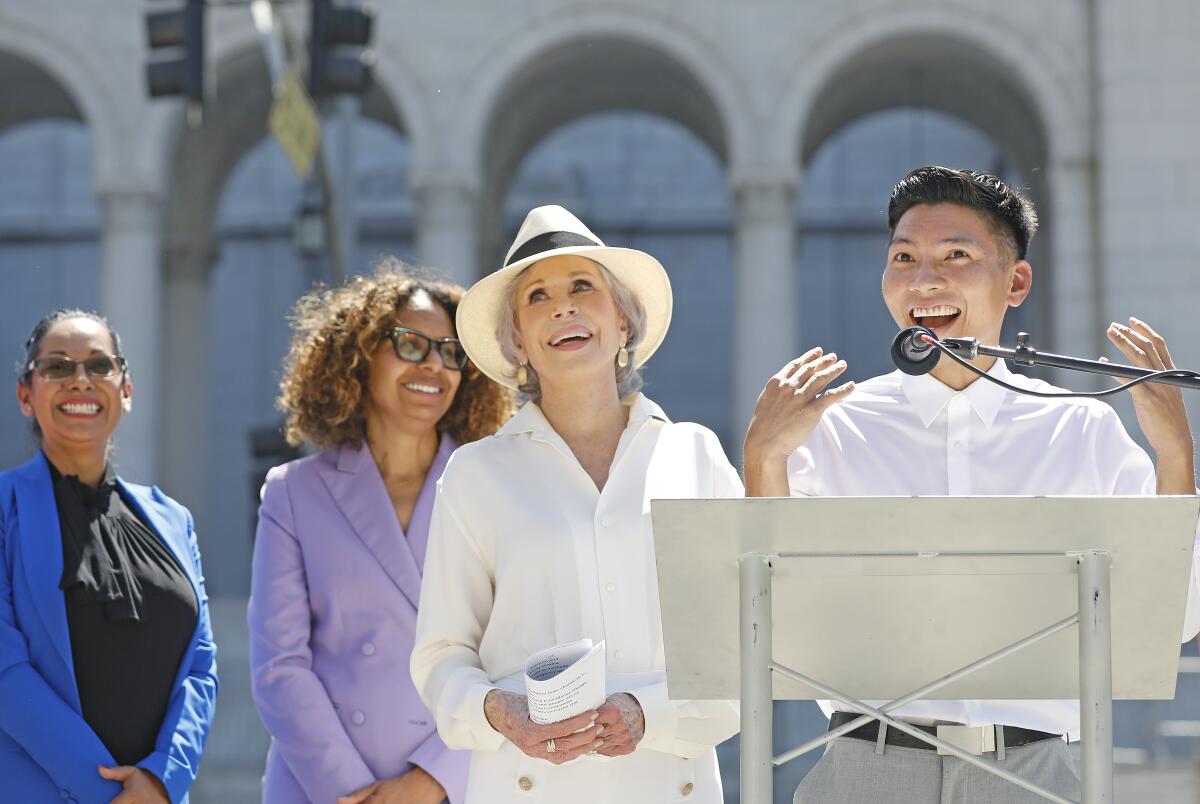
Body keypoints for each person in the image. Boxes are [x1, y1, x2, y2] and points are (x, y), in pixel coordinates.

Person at [743, 166, 1200, 803]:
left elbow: (1173, 616)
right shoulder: (831, 426)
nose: (925, 279)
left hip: (1031, 773)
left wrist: (1176, 454)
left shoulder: (1079, 428)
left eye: (957, 255)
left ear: (1016, 282)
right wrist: (762, 461)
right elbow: (768, 619)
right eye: (903, 257)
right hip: (865, 768)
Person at [410, 205, 742, 803]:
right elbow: (441, 657)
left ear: (622, 321)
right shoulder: (475, 474)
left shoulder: (695, 455)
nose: (562, 306)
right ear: (518, 343)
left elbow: (743, 648)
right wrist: (497, 711)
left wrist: (649, 715)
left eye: (581, 287)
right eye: (537, 296)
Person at [249, 262, 514, 804]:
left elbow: (517, 654)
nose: (435, 366)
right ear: (360, 357)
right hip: (324, 788)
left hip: (456, 785)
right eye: (412, 345)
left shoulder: (496, 489)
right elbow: (280, 667)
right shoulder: (294, 493)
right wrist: (355, 792)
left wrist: (433, 780)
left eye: (451, 352)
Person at [0, 309, 218, 803]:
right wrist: (109, 792)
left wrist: (163, 778)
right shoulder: (3, 508)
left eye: (100, 366)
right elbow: (3, 670)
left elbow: (202, 666)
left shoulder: (174, 519)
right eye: (57, 367)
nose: (81, 380)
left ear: (125, 391)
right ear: (25, 395)